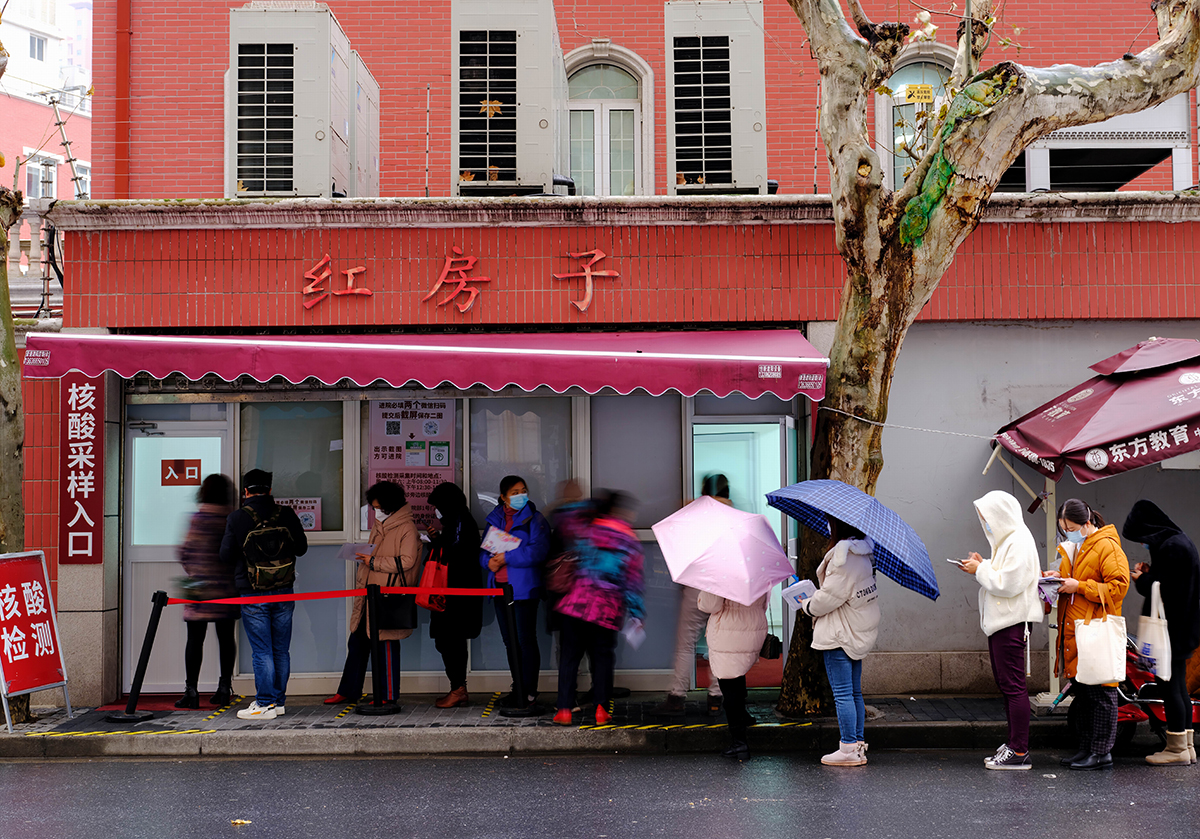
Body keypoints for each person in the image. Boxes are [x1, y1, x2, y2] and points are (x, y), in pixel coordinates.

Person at [960, 490, 1043, 770]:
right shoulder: (1010, 540)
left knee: (1013, 687)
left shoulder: (1018, 540)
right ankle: (1014, 745)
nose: (986, 524)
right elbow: (1003, 576)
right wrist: (982, 564)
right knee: (1008, 686)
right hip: (1005, 622)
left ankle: (1019, 750)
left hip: (1011, 622)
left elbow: (1007, 583)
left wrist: (980, 569)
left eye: (987, 518)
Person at [220, 469, 308, 722]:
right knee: (281, 650)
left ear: (246, 492)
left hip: (253, 591)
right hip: (284, 590)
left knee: (262, 651)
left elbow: (225, 556)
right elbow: (301, 548)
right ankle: (278, 702)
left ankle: (265, 704)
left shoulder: (237, 518)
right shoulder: (286, 514)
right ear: (270, 490)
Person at [1048, 498, 1130, 770]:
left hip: (1095, 631)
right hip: (1079, 633)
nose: (1067, 533)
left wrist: (1079, 586)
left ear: (1086, 523)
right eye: (1064, 529)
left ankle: (1101, 753)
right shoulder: (1078, 548)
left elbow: (1118, 586)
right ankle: (1086, 749)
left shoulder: (1107, 546)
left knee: (1102, 696)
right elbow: (1073, 580)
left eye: (1070, 527)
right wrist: (1056, 578)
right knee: (1085, 695)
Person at [324, 481, 421, 707]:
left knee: (386, 645)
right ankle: (348, 690)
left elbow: (407, 561)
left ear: (390, 505)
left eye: (378, 507)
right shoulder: (381, 524)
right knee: (357, 641)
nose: (375, 511)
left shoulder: (406, 527)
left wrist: (374, 561)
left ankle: (388, 695)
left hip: (389, 596)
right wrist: (365, 556)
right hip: (369, 592)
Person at [552, 491, 645, 727]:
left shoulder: (586, 529)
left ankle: (564, 709)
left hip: (575, 606)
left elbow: (561, 516)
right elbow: (633, 582)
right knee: (602, 659)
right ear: (618, 511)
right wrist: (636, 613)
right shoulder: (628, 539)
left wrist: (584, 504)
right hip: (606, 611)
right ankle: (601, 710)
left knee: (570, 657)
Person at [1123, 499, 1200, 765]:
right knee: (1179, 686)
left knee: (1169, 687)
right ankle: (1186, 746)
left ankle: (1176, 748)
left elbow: (1164, 590)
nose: (1143, 543)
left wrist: (1141, 579)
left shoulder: (1170, 547)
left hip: (1171, 630)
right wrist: (1151, 572)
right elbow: (1171, 580)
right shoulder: (1180, 541)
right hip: (1185, 626)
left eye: (1142, 538)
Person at [799, 516, 880, 767]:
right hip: (855, 629)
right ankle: (857, 746)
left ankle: (848, 748)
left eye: (830, 523)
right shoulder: (864, 554)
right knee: (854, 691)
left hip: (839, 632)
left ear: (838, 526)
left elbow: (827, 599)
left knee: (843, 693)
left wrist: (807, 605)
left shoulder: (843, 559)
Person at [652, 473, 729, 717]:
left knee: (685, 643)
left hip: (696, 585)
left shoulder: (694, 513)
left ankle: (676, 695)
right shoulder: (733, 517)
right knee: (718, 643)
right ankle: (717, 696)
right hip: (722, 585)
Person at [480, 475, 549, 709]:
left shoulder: (535, 520)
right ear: (503, 497)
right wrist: (487, 563)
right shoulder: (495, 519)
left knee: (525, 641)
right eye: (514, 492)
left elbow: (538, 552)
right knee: (510, 642)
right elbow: (484, 552)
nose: (520, 495)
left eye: (523, 490)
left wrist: (506, 557)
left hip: (523, 590)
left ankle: (529, 692)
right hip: (500, 589)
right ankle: (517, 687)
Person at [174, 474, 239, 709]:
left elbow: (184, 551)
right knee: (226, 639)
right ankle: (223, 689)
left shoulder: (197, 519)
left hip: (199, 590)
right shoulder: (231, 518)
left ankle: (191, 692)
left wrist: (194, 571)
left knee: (195, 640)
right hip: (226, 588)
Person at [426, 481, 484, 709]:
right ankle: (458, 687)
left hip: (455, 596)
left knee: (451, 641)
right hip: (451, 594)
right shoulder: (455, 522)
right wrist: (437, 540)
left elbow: (455, 555)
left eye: (437, 506)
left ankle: (458, 689)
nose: (435, 511)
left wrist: (438, 544)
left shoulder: (460, 522)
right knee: (449, 641)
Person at [698, 588, 767, 760]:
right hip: (753, 626)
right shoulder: (755, 567)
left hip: (729, 631)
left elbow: (710, 604)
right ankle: (744, 717)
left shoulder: (721, 573)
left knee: (729, 686)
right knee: (738, 674)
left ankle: (739, 744)